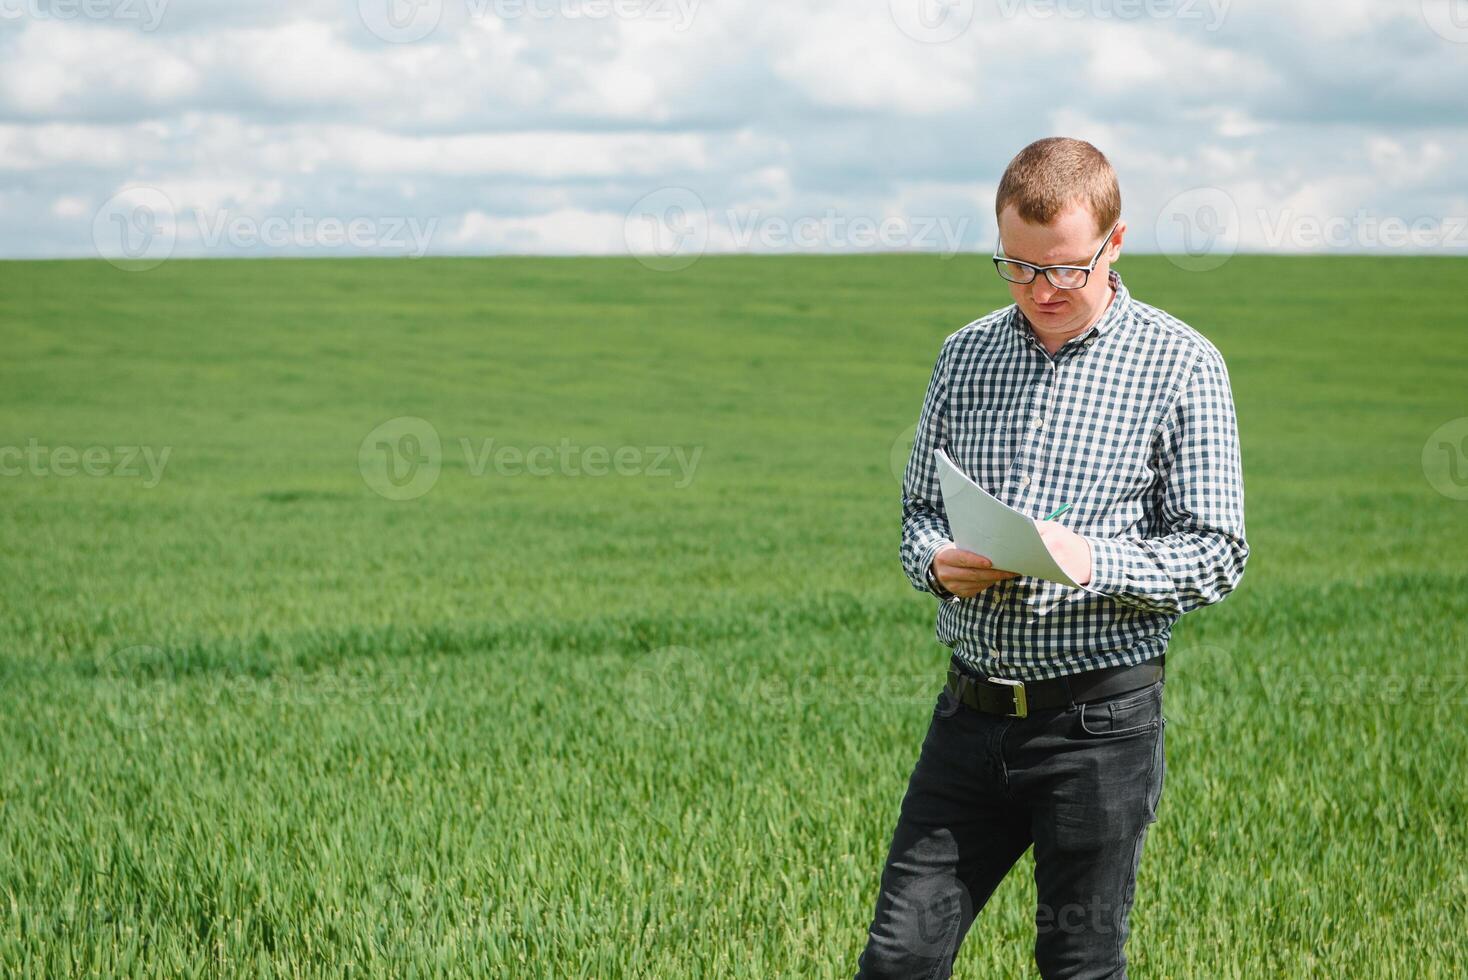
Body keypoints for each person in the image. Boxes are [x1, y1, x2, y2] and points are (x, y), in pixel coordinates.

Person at [855, 136, 1249, 979]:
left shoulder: (1182, 365)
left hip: (1098, 730)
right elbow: (919, 514)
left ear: (1115, 242)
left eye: (1065, 269)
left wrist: (1091, 558)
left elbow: (1217, 554)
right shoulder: (965, 356)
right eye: (1018, 266)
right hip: (969, 721)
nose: (1041, 291)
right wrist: (939, 564)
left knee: (1078, 964)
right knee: (898, 960)